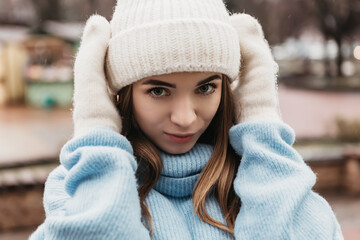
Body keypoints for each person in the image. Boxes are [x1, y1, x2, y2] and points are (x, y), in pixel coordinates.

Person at [30, 0, 344, 239]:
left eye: (206, 87)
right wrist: (97, 133)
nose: (185, 118)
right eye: (158, 91)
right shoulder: (77, 191)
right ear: (123, 94)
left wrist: (260, 125)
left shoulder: (270, 182)